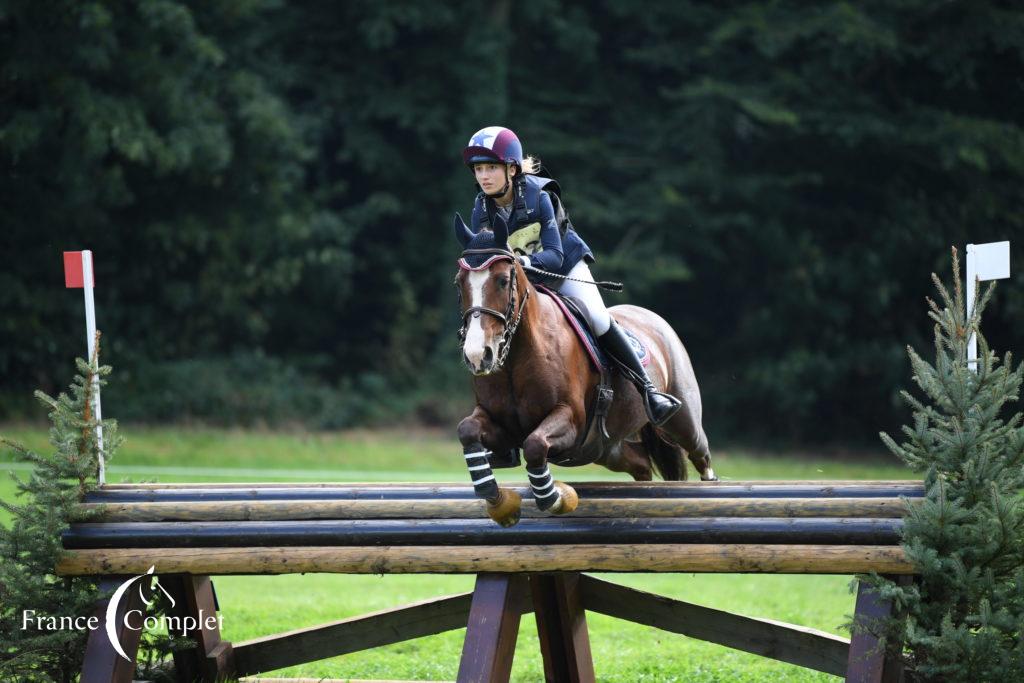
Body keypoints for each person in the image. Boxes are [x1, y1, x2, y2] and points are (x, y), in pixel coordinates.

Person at [461, 126, 682, 426]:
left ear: (511, 169)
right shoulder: (480, 209)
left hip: (564, 268)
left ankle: (649, 391)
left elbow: (555, 255)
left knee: (598, 317)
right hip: (522, 282)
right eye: (478, 169)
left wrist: (520, 261)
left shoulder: (540, 196)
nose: (483, 176)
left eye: (491, 168)